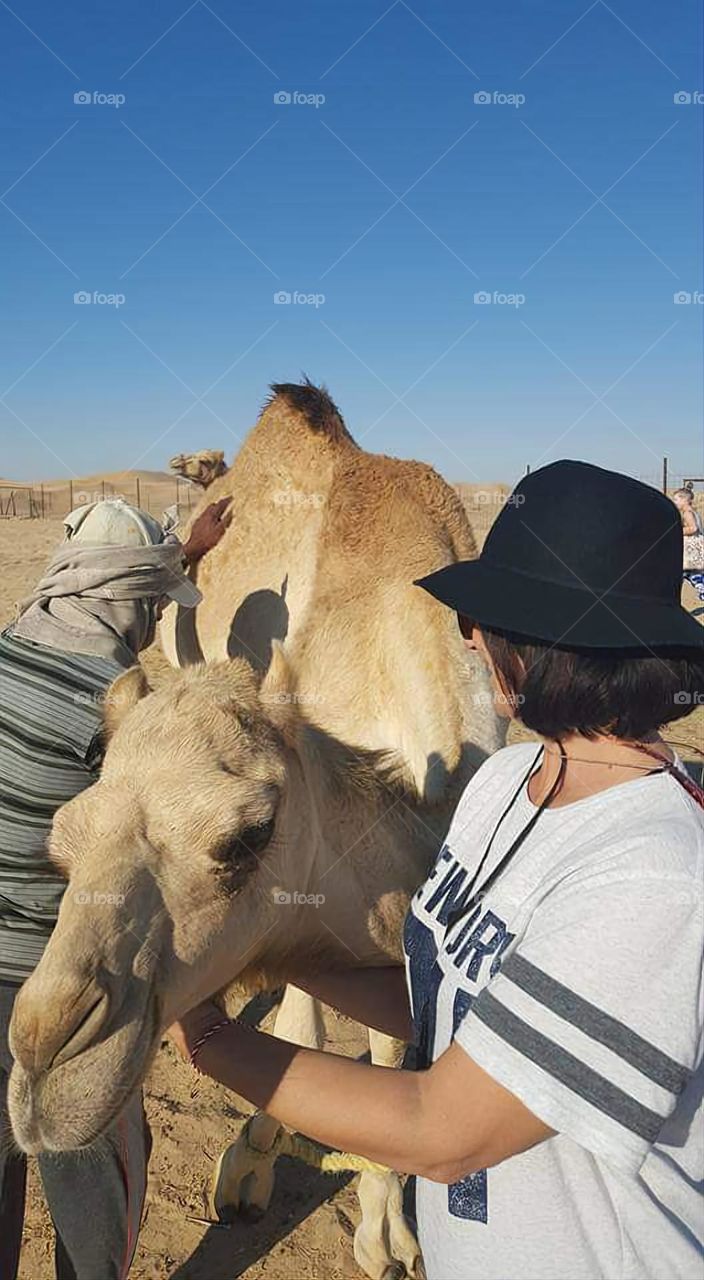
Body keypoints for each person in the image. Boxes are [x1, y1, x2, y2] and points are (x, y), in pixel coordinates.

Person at [170, 461, 704, 1280]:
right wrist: (273, 956)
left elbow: (440, 1132)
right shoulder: (503, 784)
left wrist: (208, 1037)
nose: (466, 638)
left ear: (547, 651)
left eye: (487, 621)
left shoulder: (654, 875)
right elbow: (444, 1002)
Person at [0, 494, 229, 1280]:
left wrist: (182, 551)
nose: (155, 624)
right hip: (67, 989)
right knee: (95, 1197)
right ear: (130, 598)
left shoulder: (4, 654)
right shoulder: (118, 711)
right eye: (151, 606)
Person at [673, 486, 704, 602]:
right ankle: (700, 586)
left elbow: (693, 528)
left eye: (676, 500)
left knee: (678, 572)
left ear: (684, 500)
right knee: (692, 572)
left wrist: (678, 531)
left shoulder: (687, 513)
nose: (675, 503)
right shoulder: (694, 512)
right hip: (696, 547)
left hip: (690, 548)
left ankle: (672, 596)